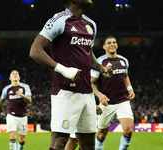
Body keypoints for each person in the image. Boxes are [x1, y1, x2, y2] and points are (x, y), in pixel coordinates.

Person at [29, 0, 113, 149]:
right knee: (60, 142)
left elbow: (88, 53)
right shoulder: (59, 20)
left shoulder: (91, 24)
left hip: (87, 93)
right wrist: (64, 70)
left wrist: (100, 67)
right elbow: (35, 51)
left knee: (88, 144)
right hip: (65, 91)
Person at [91, 36, 135, 150]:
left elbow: (125, 75)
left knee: (128, 131)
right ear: (104, 46)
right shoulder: (100, 62)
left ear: (117, 45)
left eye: (114, 42)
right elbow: (90, 83)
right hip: (107, 103)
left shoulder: (124, 60)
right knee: (101, 134)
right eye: (109, 43)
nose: (112, 44)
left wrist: (130, 88)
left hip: (123, 101)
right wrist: (99, 95)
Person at [0, 70, 32, 150]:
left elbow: (29, 100)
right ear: (10, 78)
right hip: (12, 116)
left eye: (16, 74)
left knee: (22, 140)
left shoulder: (25, 87)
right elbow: (0, 101)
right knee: (12, 135)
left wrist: (22, 95)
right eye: (13, 74)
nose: (15, 75)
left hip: (23, 117)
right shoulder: (7, 89)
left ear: (19, 77)